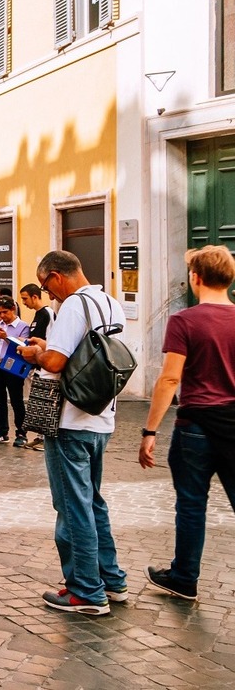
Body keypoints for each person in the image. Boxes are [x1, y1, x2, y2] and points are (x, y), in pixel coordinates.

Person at [18, 250, 128, 615]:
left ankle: (85, 591)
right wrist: (48, 348)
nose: (49, 295)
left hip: (70, 420)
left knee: (71, 506)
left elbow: (56, 361)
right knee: (93, 501)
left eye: (47, 286)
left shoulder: (72, 307)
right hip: (102, 417)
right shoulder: (110, 302)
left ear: (55, 276)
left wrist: (35, 353)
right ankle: (111, 581)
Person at [139, 245, 235, 602]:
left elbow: (168, 380)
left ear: (195, 278)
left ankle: (184, 577)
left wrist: (149, 432)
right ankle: (181, 576)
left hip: (194, 426)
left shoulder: (184, 321)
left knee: (192, 504)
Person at [0, 297, 31, 447]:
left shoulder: (23, 326)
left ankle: (21, 433)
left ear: (13, 310)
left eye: (4, 312)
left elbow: (23, 346)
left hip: (12, 365)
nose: (1, 316)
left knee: (16, 400)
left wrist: (6, 337)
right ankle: (2, 432)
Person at [18, 283, 53, 450]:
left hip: (44, 365)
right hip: (34, 365)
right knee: (35, 401)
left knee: (45, 401)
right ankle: (40, 436)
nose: (24, 302)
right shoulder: (37, 315)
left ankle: (46, 438)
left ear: (35, 296)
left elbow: (52, 340)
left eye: (25, 299)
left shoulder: (48, 314)